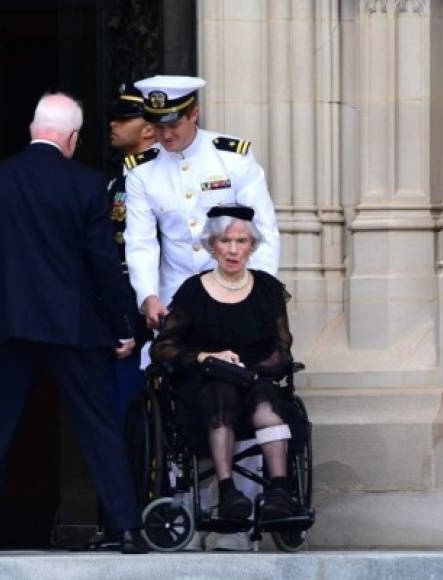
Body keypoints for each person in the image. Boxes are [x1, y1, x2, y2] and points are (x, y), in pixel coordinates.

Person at [0, 93, 147, 556]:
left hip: (10, 325)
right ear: (72, 137)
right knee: (99, 427)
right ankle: (128, 529)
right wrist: (123, 326)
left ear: (34, 128)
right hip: (73, 326)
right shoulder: (87, 184)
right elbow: (101, 262)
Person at [126, 75, 281, 550]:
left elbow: (264, 230)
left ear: (194, 114)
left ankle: (248, 517)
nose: (164, 135)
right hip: (184, 308)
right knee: (180, 396)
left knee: (248, 389)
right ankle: (185, 513)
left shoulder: (231, 158)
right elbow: (140, 242)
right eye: (156, 125)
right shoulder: (143, 171)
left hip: (237, 296)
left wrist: (262, 297)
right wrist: (148, 296)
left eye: (172, 124)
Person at [150, 205, 298, 522]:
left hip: (254, 378)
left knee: (265, 401)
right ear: (212, 245)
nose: (233, 250)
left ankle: (279, 491)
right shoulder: (193, 291)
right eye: (225, 241)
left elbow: (282, 350)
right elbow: (163, 348)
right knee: (221, 394)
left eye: (242, 241)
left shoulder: (268, 289)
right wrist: (206, 357)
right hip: (204, 384)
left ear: (252, 247)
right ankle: (228, 491)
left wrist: (252, 369)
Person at [107, 82, 156, 428]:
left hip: (153, 304)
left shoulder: (157, 179)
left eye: (124, 118)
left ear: (149, 128)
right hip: (122, 303)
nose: (114, 124)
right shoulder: (117, 183)